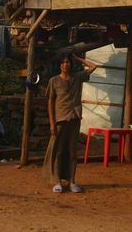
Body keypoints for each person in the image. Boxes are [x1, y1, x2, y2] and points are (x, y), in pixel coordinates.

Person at [42, 53, 97, 194]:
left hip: (74, 119)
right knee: (58, 151)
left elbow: (94, 66)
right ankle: (57, 181)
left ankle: (72, 181)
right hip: (60, 120)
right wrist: (52, 123)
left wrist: (77, 58)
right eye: (63, 62)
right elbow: (50, 103)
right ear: (59, 65)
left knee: (72, 152)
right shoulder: (53, 81)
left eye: (68, 62)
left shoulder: (77, 78)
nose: (65, 65)